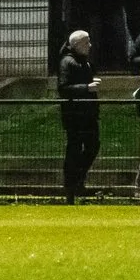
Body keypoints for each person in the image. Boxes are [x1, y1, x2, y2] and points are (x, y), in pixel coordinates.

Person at [58, 30, 101, 202]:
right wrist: (87, 87)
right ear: (77, 45)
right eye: (86, 42)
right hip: (74, 114)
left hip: (88, 113)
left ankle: (77, 180)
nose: (90, 46)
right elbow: (63, 88)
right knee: (74, 149)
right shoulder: (67, 62)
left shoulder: (85, 62)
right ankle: (72, 185)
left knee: (92, 146)